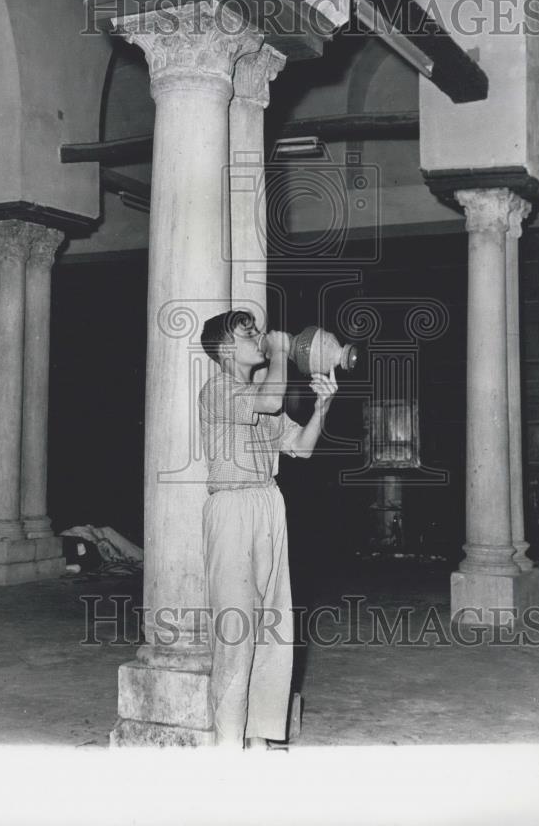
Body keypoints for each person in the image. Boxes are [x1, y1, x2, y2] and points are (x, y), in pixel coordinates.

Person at [198, 308, 338, 749]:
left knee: (274, 626)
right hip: (232, 505)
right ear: (225, 349)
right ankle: (227, 743)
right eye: (249, 334)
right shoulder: (217, 389)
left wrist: (323, 406)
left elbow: (301, 447)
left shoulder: (261, 392)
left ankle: (259, 734)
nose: (260, 337)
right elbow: (271, 401)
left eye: (259, 332)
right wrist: (280, 351)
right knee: (236, 629)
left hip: (267, 501)